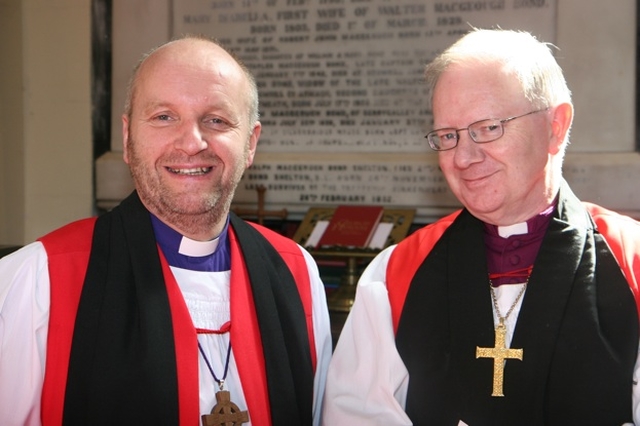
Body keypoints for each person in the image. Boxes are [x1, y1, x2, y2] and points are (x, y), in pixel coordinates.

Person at [0, 35, 332, 426]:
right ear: (127, 138)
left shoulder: (295, 273)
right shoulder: (38, 280)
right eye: (163, 117)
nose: (192, 143)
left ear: (250, 144)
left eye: (217, 120)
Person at [322, 28, 640, 425]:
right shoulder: (396, 273)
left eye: (488, 128)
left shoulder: (632, 262)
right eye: (448, 136)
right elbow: (356, 413)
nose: (463, 157)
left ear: (555, 126)